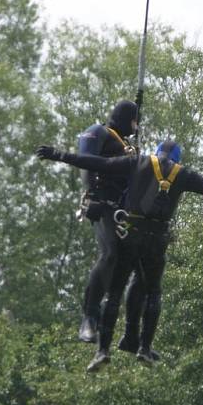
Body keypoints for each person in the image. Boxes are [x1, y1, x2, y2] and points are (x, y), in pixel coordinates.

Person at [36, 140, 203, 372]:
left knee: (114, 293)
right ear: (176, 158)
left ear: (157, 151)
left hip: (130, 234)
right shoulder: (183, 175)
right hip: (156, 240)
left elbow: (98, 163)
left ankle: (102, 351)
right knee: (152, 292)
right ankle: (144, 347)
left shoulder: (138, 162)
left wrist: (58, 155)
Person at [75, 99, 139, 343]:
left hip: (122, 211)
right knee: (109, 253)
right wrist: (91, 194)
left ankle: (108, 315)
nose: (135, 127)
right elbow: (86, 162)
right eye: (134, 121)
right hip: (101, 204)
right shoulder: (99, 132)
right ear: (126, 117)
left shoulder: (127, 146)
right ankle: (89, 318)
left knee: (130, 262)